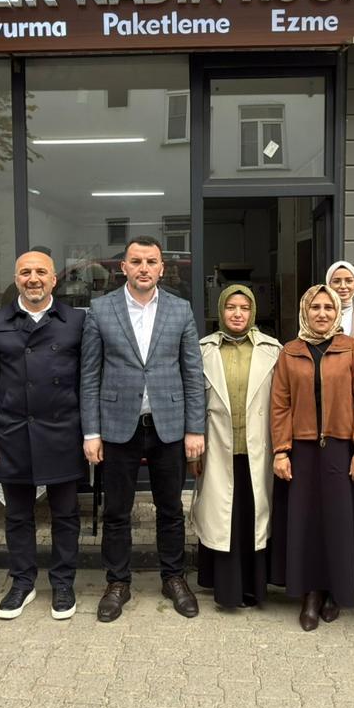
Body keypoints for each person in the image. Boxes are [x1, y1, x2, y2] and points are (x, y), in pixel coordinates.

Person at [81, 236, 206, 623]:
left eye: (151, 261)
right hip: (118, 426)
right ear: (124, 267)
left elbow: (192, 373)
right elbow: (89, 376)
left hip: (168, 425)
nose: (144, 268)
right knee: (117, 510)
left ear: (162, 268)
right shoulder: (100, 310)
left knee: (170, 508)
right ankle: (117, 582)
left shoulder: (180, 309)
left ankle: (173, 578)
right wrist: (91, 432)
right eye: (136, 261)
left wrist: (195, 428)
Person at [0, 250, 87, 620]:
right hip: (13, 431)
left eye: (41, 272)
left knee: (65, 514)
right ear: (16, 279)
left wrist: (90, 432)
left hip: (64, 430)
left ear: (54, 279)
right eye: (25, 272)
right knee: (18, 515)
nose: (33, 278)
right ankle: (22, 583)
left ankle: (63, 583)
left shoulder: (76, 321)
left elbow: (88, 381)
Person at [269, 285, 354, 631]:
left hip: (341, 448)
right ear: (305, 311)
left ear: (337, 313)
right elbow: (280, 405)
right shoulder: (290, 352)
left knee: (338, 521)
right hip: (302, 449)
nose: (322, 313)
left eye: (328, 308)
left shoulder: (351, 349)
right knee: (306, 523)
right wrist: (281, 450)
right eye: (315, 307)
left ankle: (337, 590)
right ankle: (311, 594)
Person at [193, 285, 283, 609]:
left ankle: (253, 589)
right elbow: (193, 400)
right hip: (218, 448)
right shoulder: (202, 350)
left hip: (258, 449)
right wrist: (194, 448)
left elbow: (282, 403)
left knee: (252, 517)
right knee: (223, 519)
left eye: (244, 308)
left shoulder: (273, 350)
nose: (237, 314)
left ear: (253, 312)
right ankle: (226, 589)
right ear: (221, 311)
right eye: (231, 307)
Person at [325, 260, 354, 338]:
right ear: (329, 284)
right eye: (336, 281)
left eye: (349, 281)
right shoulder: (320, 315)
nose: (343, 286)